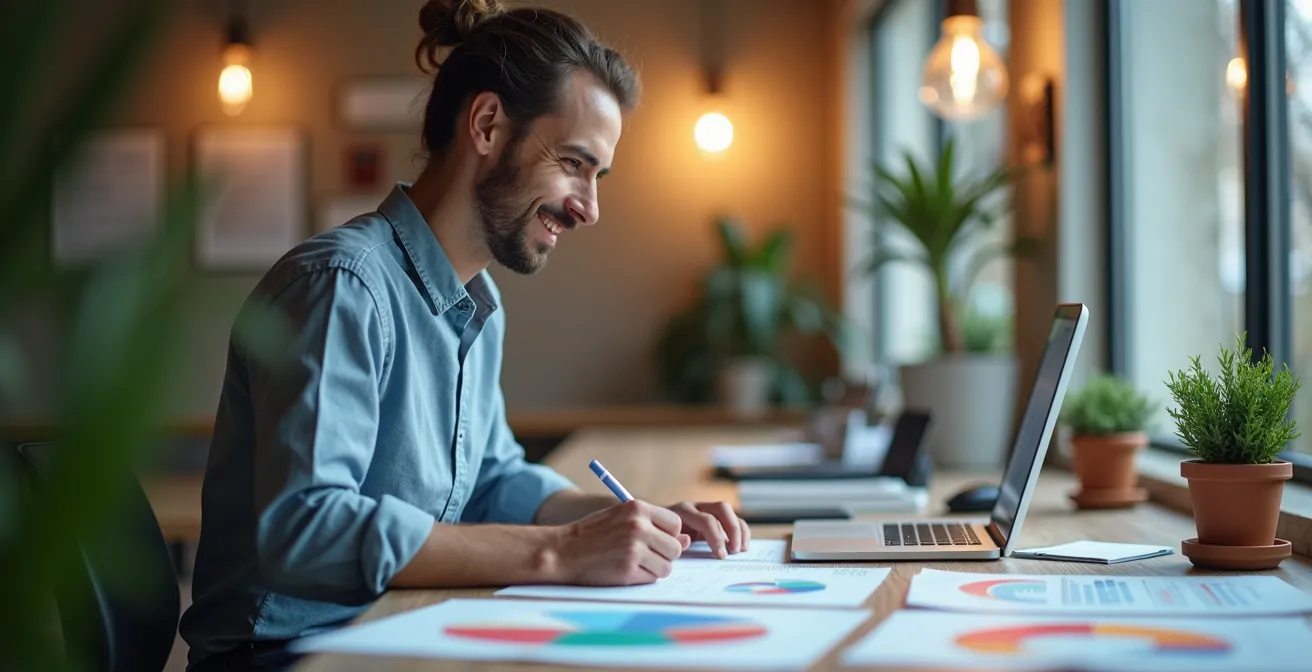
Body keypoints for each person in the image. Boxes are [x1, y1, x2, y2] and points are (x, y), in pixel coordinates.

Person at [178, 1, 751, 670]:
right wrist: (563, 552)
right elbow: (308, 530)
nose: (589, 207)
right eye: (574, 162)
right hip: (290, 654)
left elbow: (488, 480)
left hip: (394, 629)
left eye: (598, 176)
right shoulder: (342, 286)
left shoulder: (478, 304)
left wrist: (634, 523)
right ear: (486, 125)